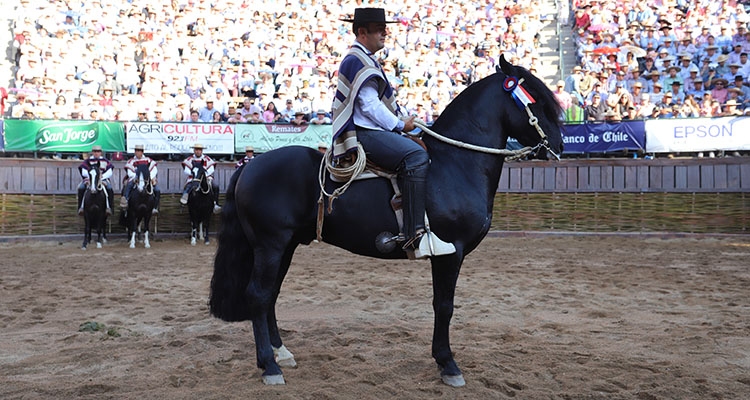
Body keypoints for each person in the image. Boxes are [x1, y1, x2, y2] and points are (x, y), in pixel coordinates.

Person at [332, 8, 454, 259]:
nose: (384, 33)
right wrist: (400, 126)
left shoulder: (363, 58)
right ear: (362, 32)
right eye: (379, 28)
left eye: (384, 28)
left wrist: (404, 121)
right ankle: (414, 234)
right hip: (365, 133)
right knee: (416, 157)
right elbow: (369, 105)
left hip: (370, 129)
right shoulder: (357, 60)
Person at [180, 143, 221, 214]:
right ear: (194, 150)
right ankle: (184, 199)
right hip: (193, 178)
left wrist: (204, 175)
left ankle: (215, 203)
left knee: (215, 186)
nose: (198, 151)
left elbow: (211, 169)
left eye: (199, 150)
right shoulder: (189, 159)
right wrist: (194, 174)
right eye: (196, 150)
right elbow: (186, 170)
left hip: (206, 178)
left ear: (202, 151)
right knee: (188, 186)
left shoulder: (207, 159)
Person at [121, 144, 160, 214]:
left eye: (139, 151)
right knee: (129, 185)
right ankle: (126, 200)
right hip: (136, 178)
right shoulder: (131, 161)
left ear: (142, 152)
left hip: (147, 179)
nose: (137, 152)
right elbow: (129, 172)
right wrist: (136, 177)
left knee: (157, 189)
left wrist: (150, 177)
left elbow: (154, 169)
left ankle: (155, 207)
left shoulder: (148, 160)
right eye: (136, 151)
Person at [76, 145, 114, 216]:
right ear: (92, 152)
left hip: (102, 179)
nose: (96, 153)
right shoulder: (88, 161)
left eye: (98, 151)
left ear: (101, 152)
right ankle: (81, 207)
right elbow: (84, 171)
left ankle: (109, 208)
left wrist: (101, 177)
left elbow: (110, 172)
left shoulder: (105, 161)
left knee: (109, 188)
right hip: (89, 179)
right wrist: (91, 177)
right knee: (81, 188)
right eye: (95, 151)